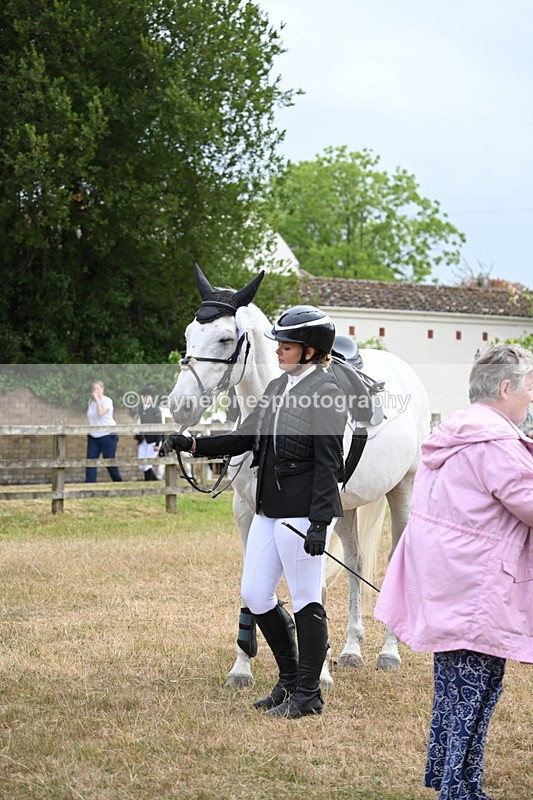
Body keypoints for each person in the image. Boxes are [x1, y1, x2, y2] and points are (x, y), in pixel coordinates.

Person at [162, 305, 347, 718]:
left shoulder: (328, 393)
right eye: (279, 342)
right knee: (256, 594)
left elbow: (329, 464)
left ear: (312, 350)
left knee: (305, 599)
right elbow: (246, 435)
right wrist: (194, 445)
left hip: (302, 513)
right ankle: (286, 681)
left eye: (288, 344)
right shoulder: (280, 387)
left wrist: (320, 522)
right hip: (270, 508)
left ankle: (308, 693)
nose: (278, 349)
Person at [374, 343, 533, 800]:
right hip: (476, 587)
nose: (529, 400)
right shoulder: (495, 444)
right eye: (527, 390)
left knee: (457, 693)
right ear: (505, 388)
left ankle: (455, 780)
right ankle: (458, 790)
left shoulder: (456, 433)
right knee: (472, 692)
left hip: (449, 582)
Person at [85, 380, 123, 483]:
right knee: (90, 461)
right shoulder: (90, 402)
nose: (95, 391)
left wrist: (97, 399)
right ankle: (89, 483)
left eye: (98, 388)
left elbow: (100, 412)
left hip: (108, 435)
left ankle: (118, 481)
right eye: (94, 389)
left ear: (102, 389)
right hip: (94, 436)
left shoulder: (107, 401)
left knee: (109, 460)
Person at [135, 385, 163, 481]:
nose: (145, 398)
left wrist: (158, 443)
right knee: (141, 464)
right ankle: (155, 481)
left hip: (154, 440)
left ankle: (147, 482)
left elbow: (160, 426)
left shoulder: (156, 409)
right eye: (144, 396)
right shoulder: (141, 408)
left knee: (147, 464)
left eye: (147, 396)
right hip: (143, 439)